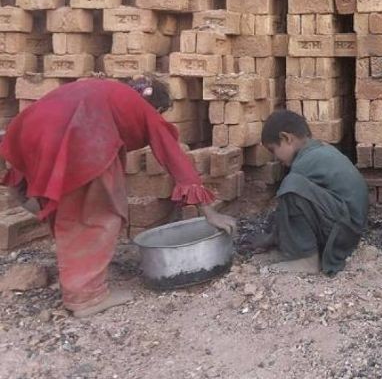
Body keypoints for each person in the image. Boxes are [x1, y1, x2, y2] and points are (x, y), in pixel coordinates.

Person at [0, 76, 236, 318]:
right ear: (156, 107)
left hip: (30, 131)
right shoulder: (142, 108)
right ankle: (86, 298)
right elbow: (173, 155)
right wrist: (209, 211)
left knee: (71, 210)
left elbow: (52, 119)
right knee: (99, 215)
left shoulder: (104, 90)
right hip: (85, 140)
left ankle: (74, 275)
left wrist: (22, 189)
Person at [255, 110, 368, 275]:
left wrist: (270, 238)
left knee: (290, 188)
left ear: (287, 138)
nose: (275, 158)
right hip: (349, 225)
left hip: (344, 232)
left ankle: (306, 260)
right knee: (292, 191)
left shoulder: (304, 164)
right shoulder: (318, 150)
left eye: (273, 150)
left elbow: (287, 208)